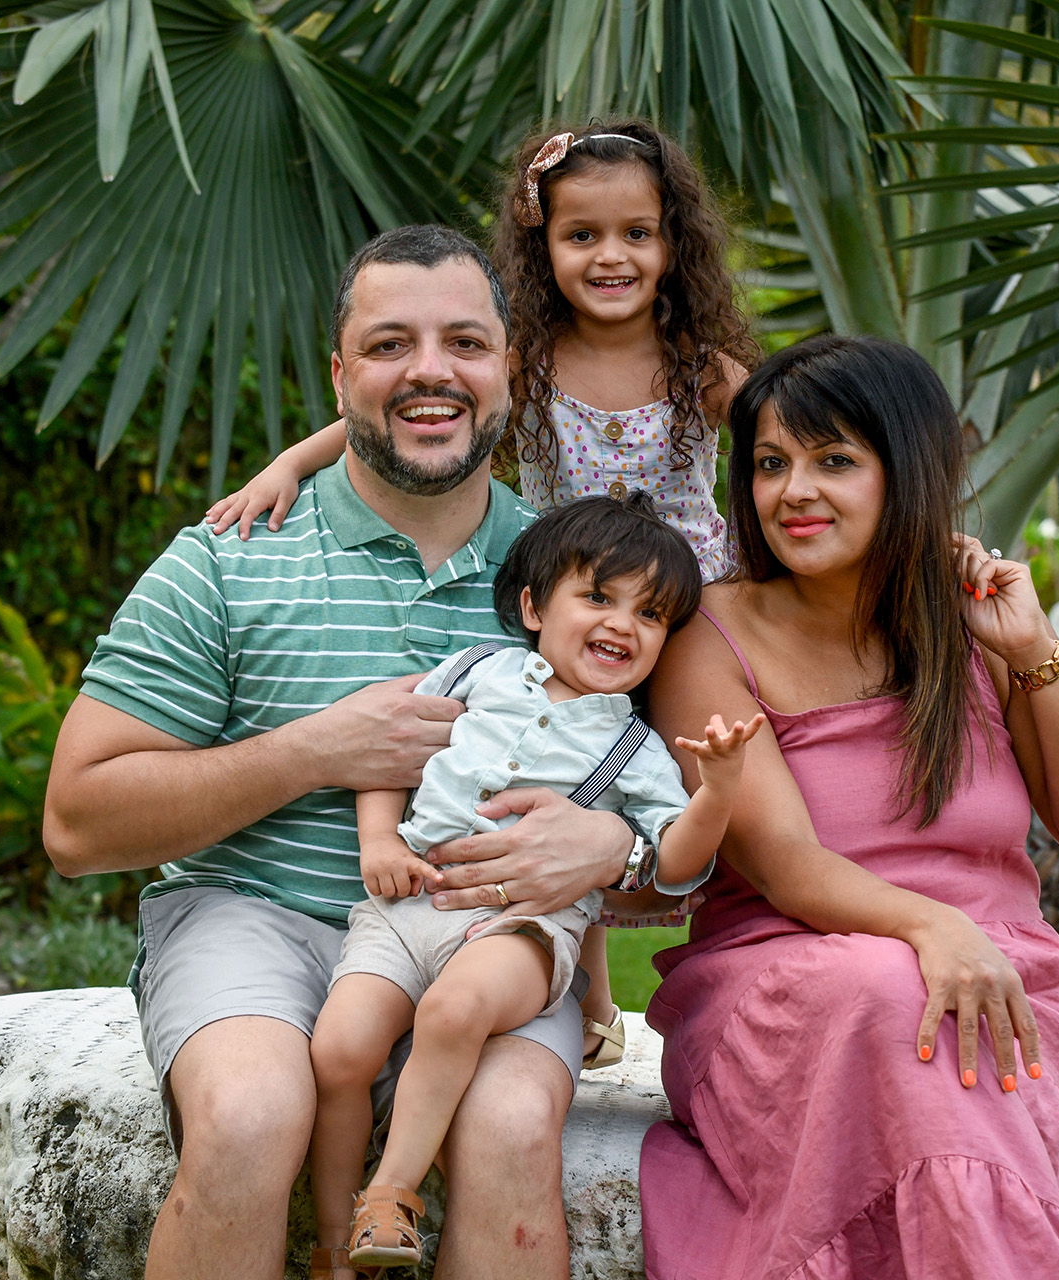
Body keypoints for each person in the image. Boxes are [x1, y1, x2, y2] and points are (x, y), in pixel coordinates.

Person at [41, 224, 650, 1280]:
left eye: (465, 342)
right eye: (388, 344)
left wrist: (611, 846)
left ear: (509, 368)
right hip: (255, 921)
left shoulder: (588, 583)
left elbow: (683, 807)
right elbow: (75, 825)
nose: (430, 371)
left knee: (511, 1127)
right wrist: (316, 750)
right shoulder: (229, 555)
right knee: (249, 1111)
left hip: (486, 937)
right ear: (339, 375)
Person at [204, 118, 760, 1070]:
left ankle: (727, 966)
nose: (612, 256)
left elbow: (788, 430)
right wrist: (288, 466)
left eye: (637, 233)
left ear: (674, 242)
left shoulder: (698, 365)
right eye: (582, 235)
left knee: (672, 790)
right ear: (544, 247)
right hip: (572, 600)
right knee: (561, 774)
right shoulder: (526, 363)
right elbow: (390, 415)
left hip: (681, 604)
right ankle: (589, 993)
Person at [639, 334, 1059, 1279]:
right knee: (889, 992)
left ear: (907, 470)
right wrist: (933, 928)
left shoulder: (973, 628)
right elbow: (784, 863)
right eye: (769, 464)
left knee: (928, 1024)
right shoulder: (708, 634)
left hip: (1003, 987)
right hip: (788, 989)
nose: (794, 492)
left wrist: (1031, 650)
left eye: (834, 461)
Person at [310, 494, 765, 1277]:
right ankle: (333, 1248)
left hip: (521, 927)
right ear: (532, 607)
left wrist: (717, 793)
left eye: (650, 613)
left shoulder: (633, 747)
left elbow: (675, 864)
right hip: (406, 909)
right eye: (598, 597)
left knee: (454, 1011)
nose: (622, 624)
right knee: (339, 1050)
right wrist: (379, 838)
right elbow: (386, 750)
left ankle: (390, 1196)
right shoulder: (478, 671)